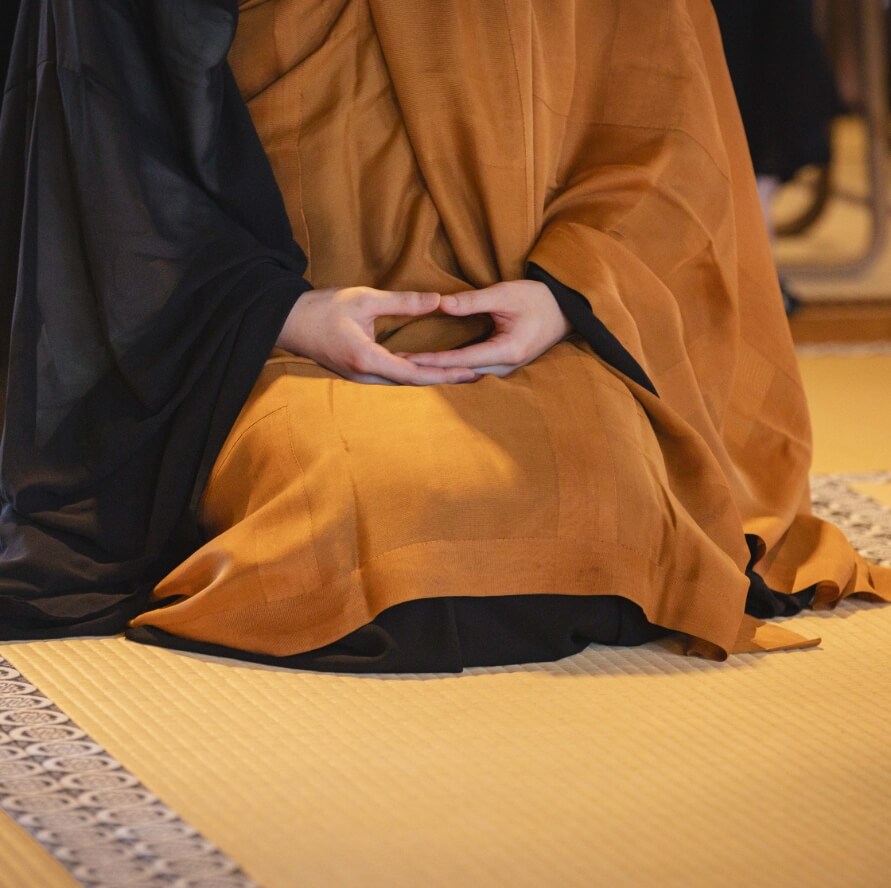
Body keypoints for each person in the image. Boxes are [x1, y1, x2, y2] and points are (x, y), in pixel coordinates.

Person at [1, 0, 888, 672]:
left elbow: (660, 126)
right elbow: (103, 143)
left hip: (528, 317)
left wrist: (564, 295)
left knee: (599, 480)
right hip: (249, 327)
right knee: (356, 501)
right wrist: (286, 314)